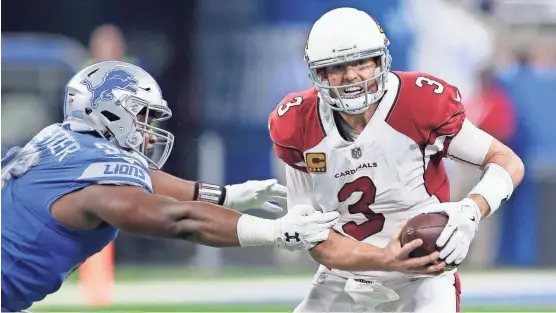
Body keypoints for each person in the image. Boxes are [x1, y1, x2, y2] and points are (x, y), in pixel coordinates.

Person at [1, 61, 340, 312]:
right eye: (143, 116)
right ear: (109, 110)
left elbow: (143, 179)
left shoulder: (65, 140)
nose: (149, 131)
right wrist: (277, 232)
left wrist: (228, 196)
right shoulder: (100, 187)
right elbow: (176, 219)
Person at [268, 8, 524, 312]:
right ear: (318, 74)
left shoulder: (418, 103)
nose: (351, 75)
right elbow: (316, 240)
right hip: (344, 275)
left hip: (423, 276)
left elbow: (506, 161)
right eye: (337, 66)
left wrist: (471, 210)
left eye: (361, 61)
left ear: (380, 60)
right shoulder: (298, 123)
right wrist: (385, 258)